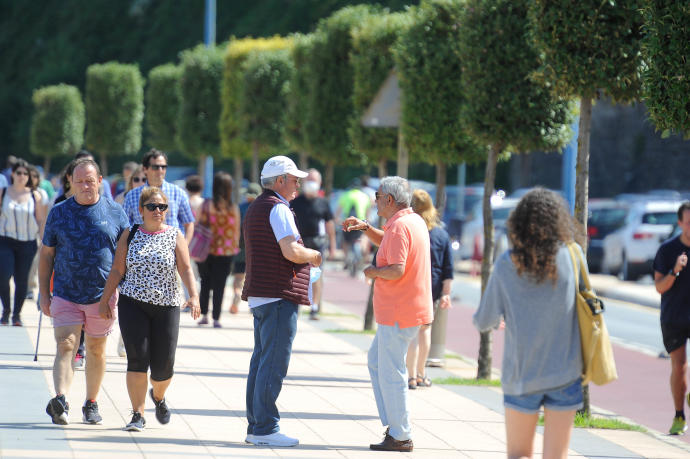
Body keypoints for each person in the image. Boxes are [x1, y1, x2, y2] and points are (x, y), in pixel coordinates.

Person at [473, 188, 583, 459]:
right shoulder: (574, 255)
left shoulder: (505, 264)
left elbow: (484, 320)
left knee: (519, 454)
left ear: (518, 222)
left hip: (521, 373)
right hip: (565, 372)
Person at [98, 186, 200, 432]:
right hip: (133, 303)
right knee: (137, 359)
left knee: (164, 366)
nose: (157, 211)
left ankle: (159, 395)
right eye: (152, 207)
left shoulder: (175, 235)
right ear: (141, 210)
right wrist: (105, 299)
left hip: (167, 306)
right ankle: (137, 413)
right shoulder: (130, 234)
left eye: (162, 207)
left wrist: (194, 296)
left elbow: (185, 269)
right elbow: (117, 270)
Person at [342, 176, 432, 453]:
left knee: (391, 372)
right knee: (378, 364)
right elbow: (392, 245)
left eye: (378, 196)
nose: (375, 200)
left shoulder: (399, 226)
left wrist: (372, 272)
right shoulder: (410, 221)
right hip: (406, 309)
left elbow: (396, 268)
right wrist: (367, 228)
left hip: (398, 311)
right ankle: (395, 427)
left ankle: (400, 434)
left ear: (389, 201)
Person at [39, 158, 129, 425]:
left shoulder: (116, 213)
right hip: (66, 292)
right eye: (79, 181)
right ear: (71, 183)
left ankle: (91, 402)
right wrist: (44, 293)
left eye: (90, 180)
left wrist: (119, 293)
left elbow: (123, 257)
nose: (85, 185)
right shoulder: (59, 212)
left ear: (100, 180)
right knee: (65, 344)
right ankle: (61, 399)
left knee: (96, 350)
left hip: (102, 295)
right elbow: (46, 255)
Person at [242, 155, 321, 447]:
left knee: (261, 362)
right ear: (279, 181)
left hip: (264, 294)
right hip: (277, 295)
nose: (298, 183)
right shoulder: (278, 208)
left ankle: (257, 425)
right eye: (293, 178)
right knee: (273, 363)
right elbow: (290, 251)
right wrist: (312, 255)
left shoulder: (257, 207)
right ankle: (264, 428)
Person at [407, 189, 453, 389]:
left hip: (409, 284)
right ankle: (420, 373)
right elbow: (447, 268)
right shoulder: (441, 234)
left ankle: (409, 376)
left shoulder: (407, 229)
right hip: (431, 286)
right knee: (424, 330)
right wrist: (446, 294)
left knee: (410, 331)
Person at [653, 201, 690, 435]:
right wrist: (675, 270)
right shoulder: (667, 251)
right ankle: (679, 415)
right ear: (680, 223)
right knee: (679, 367)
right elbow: (659, 287)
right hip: (674, 316)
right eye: (689, 222)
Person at [0, 159, 46, 325]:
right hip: (5, 240)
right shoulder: (3, 192)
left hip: (27, 242)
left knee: (21, 279)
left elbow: (40, 220)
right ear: (12, 174)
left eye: (25, 173)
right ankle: (6, 309)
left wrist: (43, 242)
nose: (21, 176)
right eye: (18, 173)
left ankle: (16, 315)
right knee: (3, 275)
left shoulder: (35, 196)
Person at [290, 168, 336, 320]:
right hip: (299, 243)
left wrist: (333, 246)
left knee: (316, 276)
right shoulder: (295, 202)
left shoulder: (323, 203)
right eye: (308, 180)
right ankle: (295, 303)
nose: (311, 183)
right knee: (296, 274)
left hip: (317, 243)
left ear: (319, 183)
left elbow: (330, 225)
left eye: (314, 180)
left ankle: (314, 307)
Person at [123, 149, 194, 245]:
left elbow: (189, 223)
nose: (160, 170)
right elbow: (124, 226)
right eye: (155, 167)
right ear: (145, 169)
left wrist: (184, 247)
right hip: (141, 253)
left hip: (171, 252)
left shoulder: (178, 192)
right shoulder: (132, 196)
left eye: (163, 167)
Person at [197, 172, 240, 328]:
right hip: (226, 251)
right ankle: (216, 317)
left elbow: (198, 224)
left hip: (206, 249)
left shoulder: (207, 205)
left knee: (205, 282)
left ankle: (204, 315)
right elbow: (236, 230)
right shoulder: (233, 207)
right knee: (220, 284)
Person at [229, 182, 260, 314]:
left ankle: (236, 293)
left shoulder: (239, 208)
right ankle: (253, 305)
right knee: (254, 278)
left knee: (238, 277)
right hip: (256, 250)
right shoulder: (261, 209)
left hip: (240, 248)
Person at [337, 179, 371, 271]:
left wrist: (337, 220)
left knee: (345, 241)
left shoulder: (345, 195)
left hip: (347, 222)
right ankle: (363, 256)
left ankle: (346, 259)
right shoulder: (365, 197)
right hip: (360, 223)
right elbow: (368, 213)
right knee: (363, 239)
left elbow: (338, 212)